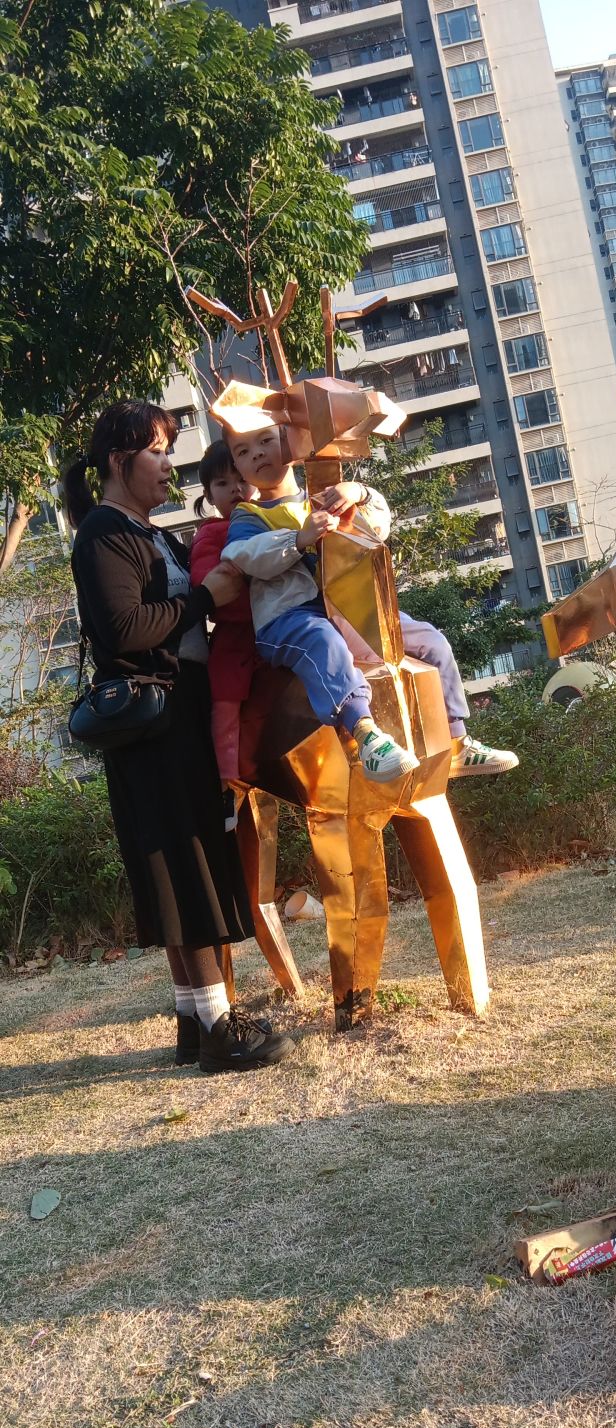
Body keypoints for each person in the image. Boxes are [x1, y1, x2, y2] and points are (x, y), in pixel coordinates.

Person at [65, 401, 296, 1075]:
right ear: (120, 461)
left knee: (185, 865)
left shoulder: (151, 533)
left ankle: (196, 1022)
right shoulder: (103, 534)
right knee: (182, 865)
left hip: (180, 711)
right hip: (153, 723)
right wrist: (205, 597)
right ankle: (221, 1027)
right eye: (158, 451)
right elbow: (124, 629)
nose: (170, 464)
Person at [218, 410, 519, 783]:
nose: (258, 454)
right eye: (243, 451)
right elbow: (242, 556)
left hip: (345, 608)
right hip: (288, 619)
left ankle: (456, 741)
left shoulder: (323, 495)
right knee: (322, 642)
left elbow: (376, 527)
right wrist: (298, 539)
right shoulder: (247, 516)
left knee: (427, 638)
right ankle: (366, 734)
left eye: (266, 441)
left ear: (291, 441)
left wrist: (358, 492)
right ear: (236, 465)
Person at [191, 440, 258, 830]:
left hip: (285, 625)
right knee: (224, 703)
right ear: (208, 495)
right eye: (222, 483)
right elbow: (205, 580)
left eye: (241, 478)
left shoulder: (276, 516)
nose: (235, 488)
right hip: (237, 636)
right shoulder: (212, 533)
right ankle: (226, 785)